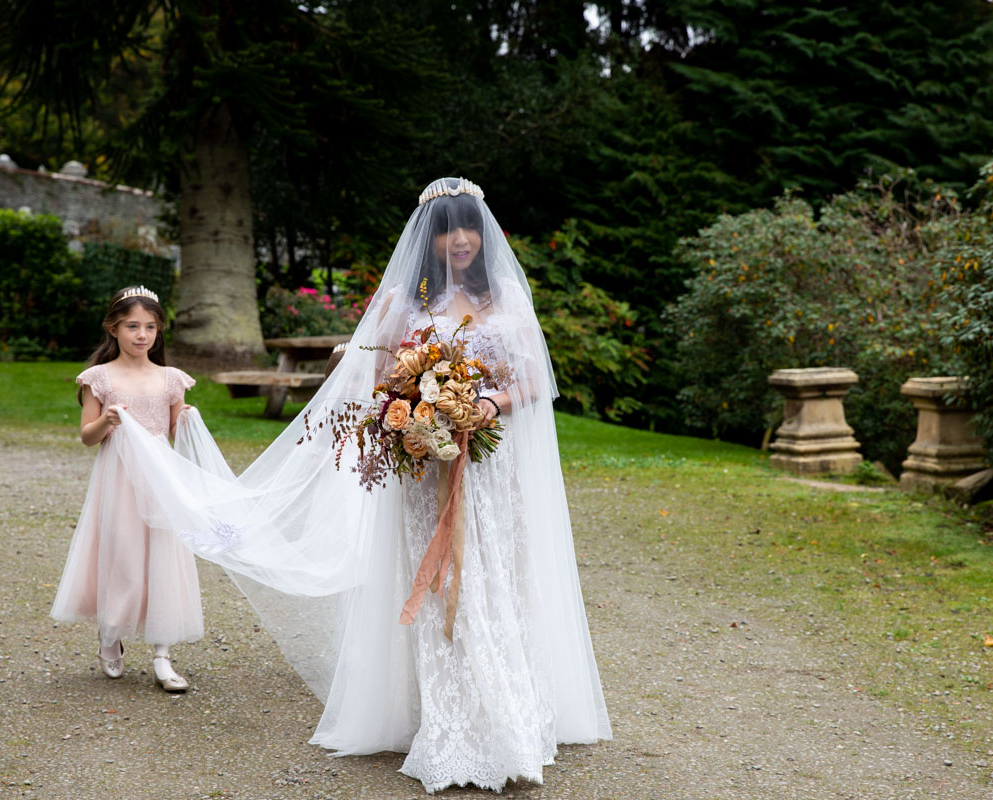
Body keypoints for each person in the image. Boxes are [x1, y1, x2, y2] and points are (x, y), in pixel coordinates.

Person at [120, 178, 612, 792]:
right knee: (436, 581)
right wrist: (414, 411)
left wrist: (487, 403)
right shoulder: (409, 300)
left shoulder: (506, 295)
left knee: (496, 574)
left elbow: (535, 380)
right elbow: (378, 377)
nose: (460, 239)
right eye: (447, 229)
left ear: (483, 234)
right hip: (423, 465)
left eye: (468, 227)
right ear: (430, 238)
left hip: (493, 464)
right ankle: (443, 717)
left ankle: (507, 709)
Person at [50, 286, 201, 693]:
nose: (142, 335)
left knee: (163, 557)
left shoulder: (171, 378)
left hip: (159, 477)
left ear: (159, 330)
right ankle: (110, 632)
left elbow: (174, 431)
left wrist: (186, 419)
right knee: (123, 556)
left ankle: (162, 655)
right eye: (132, 326)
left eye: (150, 327)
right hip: (118, 477)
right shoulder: (100, 378)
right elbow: (87, 436)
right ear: (113, 328)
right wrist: (108, 421)